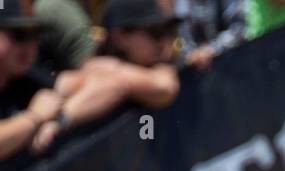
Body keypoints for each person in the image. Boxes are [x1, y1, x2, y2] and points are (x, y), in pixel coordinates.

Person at [29, 0, 178, 154]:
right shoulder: (97, 68)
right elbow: (162, 86)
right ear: (119, 37)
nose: (164, 42)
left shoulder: (148, 65)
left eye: (169, 30)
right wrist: (59, 121)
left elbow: (165, 83)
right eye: (156, 33)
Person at [0, 0, 62, 162]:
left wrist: (59, 121)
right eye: (20, 35)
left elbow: (103, 82)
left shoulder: (26, 78)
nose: (30, 46)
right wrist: (34, 118)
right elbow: (41, 112)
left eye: (36, 34)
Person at [169, 0, 246, 71]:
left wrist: (212, 49)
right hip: (194, 70)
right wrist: (192, 54)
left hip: (231, 64)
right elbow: (178, 37)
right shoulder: (179, 3)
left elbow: (238, 29)